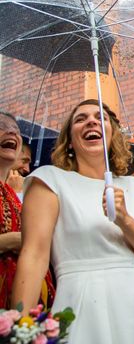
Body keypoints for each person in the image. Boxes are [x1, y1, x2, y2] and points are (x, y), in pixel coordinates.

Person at [12, 99, 134, 343]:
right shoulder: (49, 180)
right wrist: (19, 328)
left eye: (100, 117)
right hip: (81, 298)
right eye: (80, 118)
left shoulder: (133, 187)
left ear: (112, 135)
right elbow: (34, 255)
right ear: (69, 140)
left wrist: (124, 219)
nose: (91, 121)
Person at [0, 112, 54, 310]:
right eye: (2, 126)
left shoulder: (14, 195)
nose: (12, 132)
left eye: (16, 130)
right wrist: (11, 241)